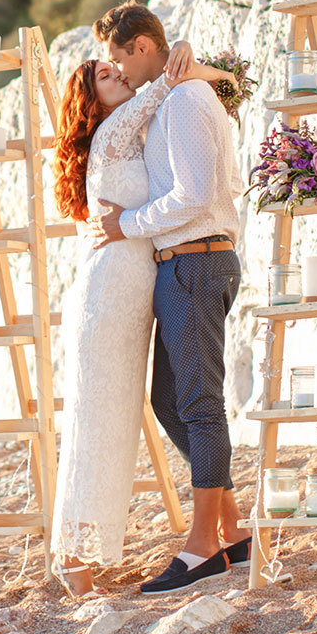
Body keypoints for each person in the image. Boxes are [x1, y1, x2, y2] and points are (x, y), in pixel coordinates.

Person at [49, 40, 237, 597]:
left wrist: (196, 65)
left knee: (158, 405)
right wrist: (182, 61)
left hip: (149, 278)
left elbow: (205, 96)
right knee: (101, 420)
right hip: (113, 291)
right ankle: (75, 550)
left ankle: (224, 530)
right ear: (92, 102)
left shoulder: (138, 128)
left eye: (117, 65)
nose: (119, 77)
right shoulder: (116, 129)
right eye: (107, 75)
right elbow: (164, 84)